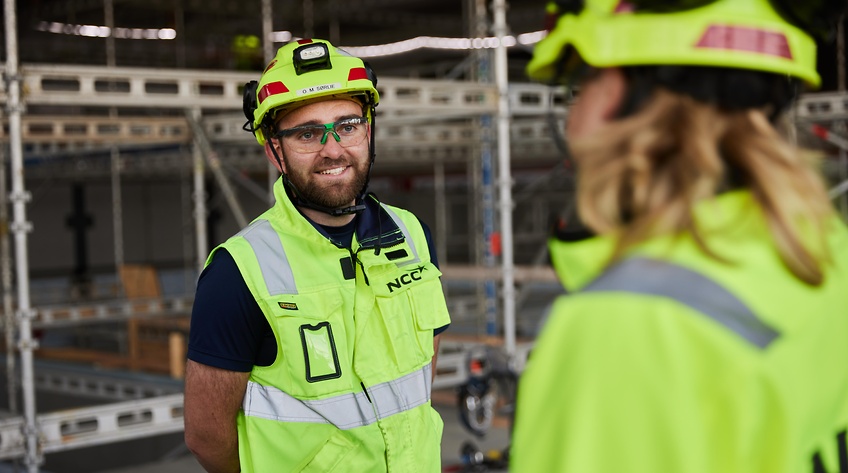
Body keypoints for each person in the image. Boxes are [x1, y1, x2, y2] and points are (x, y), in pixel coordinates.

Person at [511, 0, 848, 472]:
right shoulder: (824, 251)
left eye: (580, 85)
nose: (573, 119)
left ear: (618, 94)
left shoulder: (629, 324)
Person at [183, 38, 451, 473]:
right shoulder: (239, 271)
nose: (333, 149)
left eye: (346, 125)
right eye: (307, 133)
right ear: (275, 151)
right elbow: (206, 434)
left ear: (367, 129)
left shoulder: (411, 235)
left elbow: (422, 372)